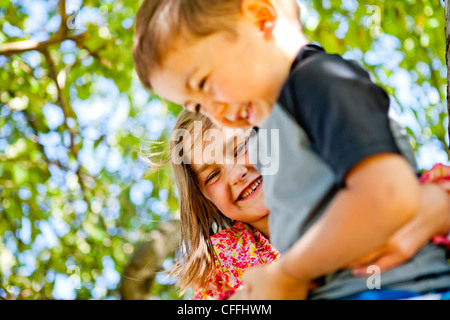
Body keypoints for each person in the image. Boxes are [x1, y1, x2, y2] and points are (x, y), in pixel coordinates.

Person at [133, 0, 450, 299]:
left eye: (204, 83)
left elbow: (389, 194)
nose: (214, 111)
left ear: (260, 19)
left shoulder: (316, 80)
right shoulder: (281, 124)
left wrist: (289, 273)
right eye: (198, 105)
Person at [167, 110, 450, 300]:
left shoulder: (338, 185)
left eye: (240, 147)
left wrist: (436, 206)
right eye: (213, 174)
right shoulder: (221, 262)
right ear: (206, 198)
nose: (235, 173)